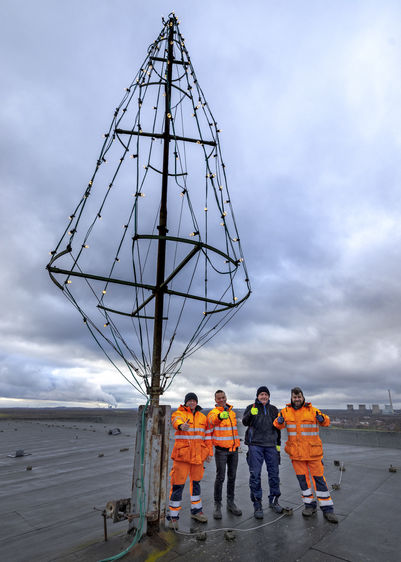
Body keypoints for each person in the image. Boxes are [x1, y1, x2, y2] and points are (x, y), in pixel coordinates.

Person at [273, 387, 338, 523]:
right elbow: (277, 425)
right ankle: (309, 506)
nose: (297, 399)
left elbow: (326, 422)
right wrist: (278, 422)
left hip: (313, 454)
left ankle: (328, 510)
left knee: (319, 481)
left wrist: (322, 418)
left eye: (299, 397)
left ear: (303, 397)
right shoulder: (285, 412)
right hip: (297, 455)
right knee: (303, 482)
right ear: (292, 398)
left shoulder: (313, 410)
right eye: (294, 397)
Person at [167, 392, 212, 528]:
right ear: (186, 402)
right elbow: (175, 421)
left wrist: (209, 452)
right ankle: (173, 518)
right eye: (189, 401)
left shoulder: (203, 417)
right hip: (182, 457)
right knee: (177, 485)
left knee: (196, 484)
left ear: (196, 402)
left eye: (194, 400)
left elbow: (208, 436)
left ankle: (196, 511)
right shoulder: (179, 413)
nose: (192, 402)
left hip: (198, 457)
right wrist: (182, 426)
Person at [242, 386, 283, 519]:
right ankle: (257, 504)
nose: (264, 396)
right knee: (255, 475)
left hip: (271, 445)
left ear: (269, 396)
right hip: (255, 446)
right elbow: (244, 422)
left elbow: (278, 429)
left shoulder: (273, 409)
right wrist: (250, 414)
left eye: (266, 394)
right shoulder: (251, 407)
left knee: (274, 474)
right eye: (261, 394)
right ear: (258, 396)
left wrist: (278, 446)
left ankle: (274, 500)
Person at [207, 389, 242, 519]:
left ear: (226, 397)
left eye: (223, 397)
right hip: (221, 451)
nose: (221, 400)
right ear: (215, 400)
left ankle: (230, 503)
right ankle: (217, 505)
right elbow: (211, 421)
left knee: (232, 477)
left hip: (234, 451)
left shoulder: (232, 413)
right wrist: (220, 417)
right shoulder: (213, 413)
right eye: (219, 398)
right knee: (220, 478)